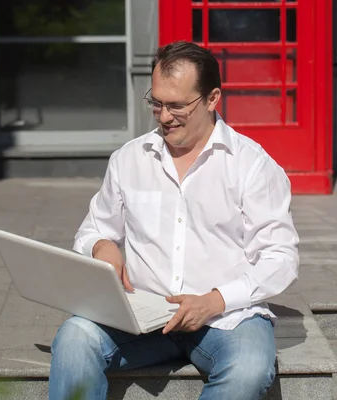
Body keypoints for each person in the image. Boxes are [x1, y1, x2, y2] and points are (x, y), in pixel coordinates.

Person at [48, 40, 300, 400]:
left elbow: (281, 258)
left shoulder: (253, 165)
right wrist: (101, 246)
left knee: (248, 370)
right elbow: (93, 229)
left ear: (212, 99)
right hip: (140, 316)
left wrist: (215, 300)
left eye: (178, 106)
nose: (165, 116)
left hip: (225, 318)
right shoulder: (128, 159)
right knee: (74, 338)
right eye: (157, 103)